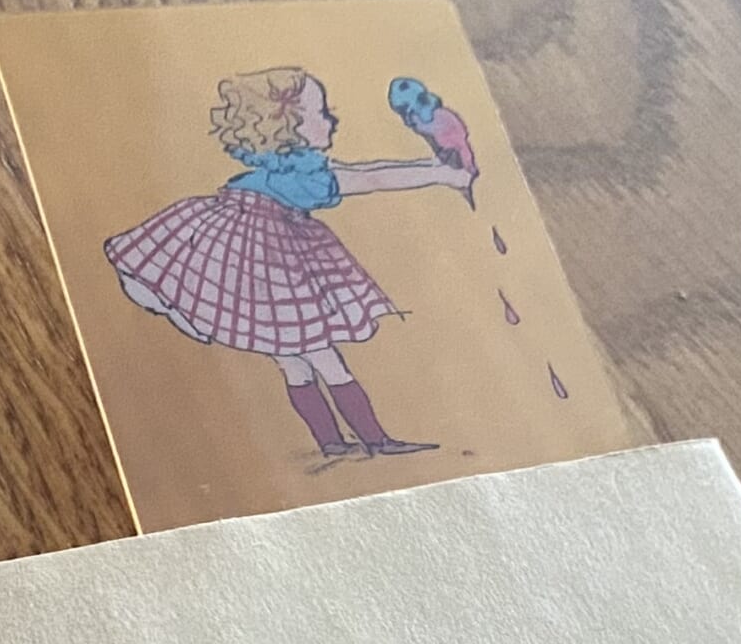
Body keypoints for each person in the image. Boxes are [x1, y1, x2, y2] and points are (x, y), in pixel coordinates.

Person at [104, 66, 473, 456]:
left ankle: (333, 444)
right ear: (289, 127)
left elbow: (361, 172)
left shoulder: (279, 170)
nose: (331, 121)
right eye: (322, 113)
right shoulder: (301, 177)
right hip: (270, 270)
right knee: (325, 359)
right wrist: (443, 175)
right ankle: (376, 441)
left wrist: (435, 171)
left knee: (294, 364)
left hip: (249, 272)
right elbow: (369, 179)